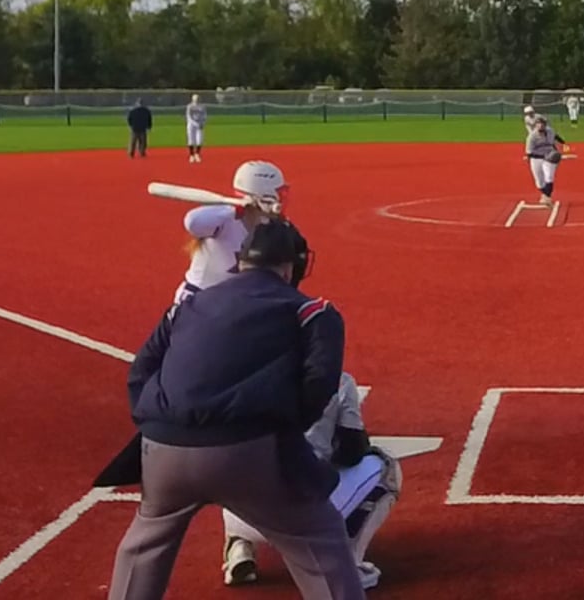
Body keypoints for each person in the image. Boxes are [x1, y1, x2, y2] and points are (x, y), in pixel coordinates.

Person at [102, 218, 366, 600]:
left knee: (143, 546)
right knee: (319, 537)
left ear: (240, 262)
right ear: (291, 267)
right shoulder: (312, 311)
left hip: (161, 451)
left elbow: (141, 372)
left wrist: (158, 426)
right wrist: (282, 432)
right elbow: (320, 384)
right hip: (249, 451)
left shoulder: (188, 305)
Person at [225, 373, 402, 590]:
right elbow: (352, 451)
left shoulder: (246, 371)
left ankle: (238, 546)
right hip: (300, 514)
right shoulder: (339, 379)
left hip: (241, 514)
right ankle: (347, 566)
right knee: (385, 467)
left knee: (234, 457)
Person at [174, 161, 287, 307]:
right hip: (198, 300)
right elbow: (192, 222)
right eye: (279, 193)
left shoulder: (270, 226)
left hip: (231, 301)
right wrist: (234, 209)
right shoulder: (225, 221)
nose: (283, 199)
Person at [524, 114, 569, 206]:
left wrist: (563, 143)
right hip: (536, 158)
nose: (540, 125)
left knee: (549, 177)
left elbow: (555, 136)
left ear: (545, 124)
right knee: (539, 182)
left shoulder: (550, 131)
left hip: (549, 158)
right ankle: (545, 194)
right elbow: (529, 153)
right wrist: (542, 156)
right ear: (535, 125)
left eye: (542, 124)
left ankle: (547, 197)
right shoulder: (532, 137)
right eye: (538, 124)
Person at [185, 94, 209, 164]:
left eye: (198, 99)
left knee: (199, 140)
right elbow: (188, 117)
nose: (197, 100)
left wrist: (203, 123)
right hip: (191, 125)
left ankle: (197, 154)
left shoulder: (202, 106)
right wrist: (195, 124)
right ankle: (191, 155)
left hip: (200, 124)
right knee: (191, 140)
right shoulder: (189, 106)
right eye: (195, 99)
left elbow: (205, 115)